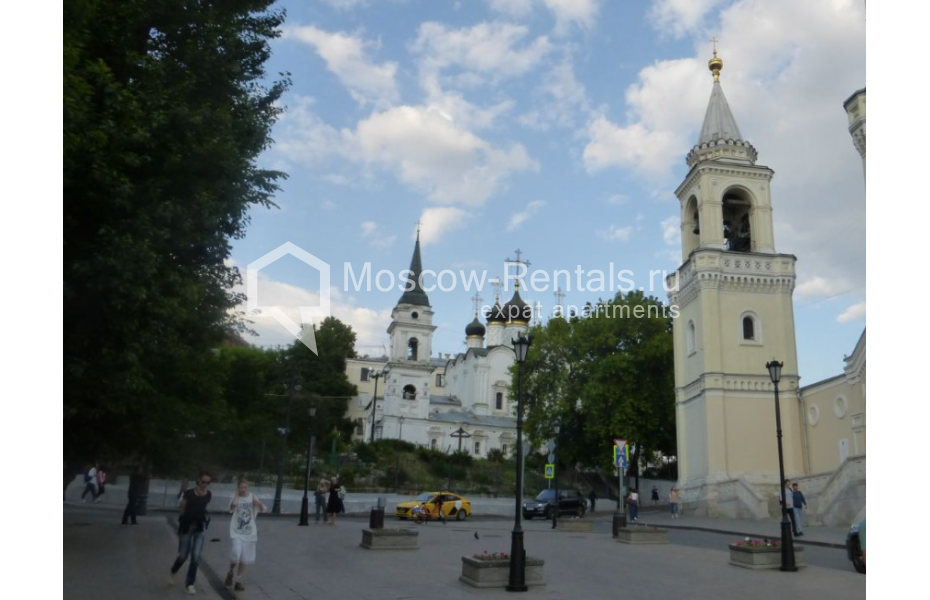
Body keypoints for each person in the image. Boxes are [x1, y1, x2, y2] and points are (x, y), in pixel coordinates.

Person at [169, 472, 213, 595]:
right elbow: (182, 508)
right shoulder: (189, 493)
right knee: (183, 555)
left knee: (195, 556)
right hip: (187, 526)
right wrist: (184, 518)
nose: (205, 484)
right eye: (203, 481)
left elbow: (204, 507)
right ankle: (173, 571)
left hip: (200, 527)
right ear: (198, 480)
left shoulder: (209, 494)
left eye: (208, 482)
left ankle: (189, 584)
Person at [225, 478, 265, 592]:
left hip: (249, 532)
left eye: (245, 487)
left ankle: (238, 581)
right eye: (241, 487)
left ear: (248, 487)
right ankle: (230, 572)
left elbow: (262, 509)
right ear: (238, 488)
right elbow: (232, 507)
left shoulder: (252, 497)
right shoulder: (235, 497)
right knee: (236, 554)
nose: (243, 489)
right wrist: (236, 495)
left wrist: (259, 503)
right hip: (236, 531)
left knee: (244, 558)